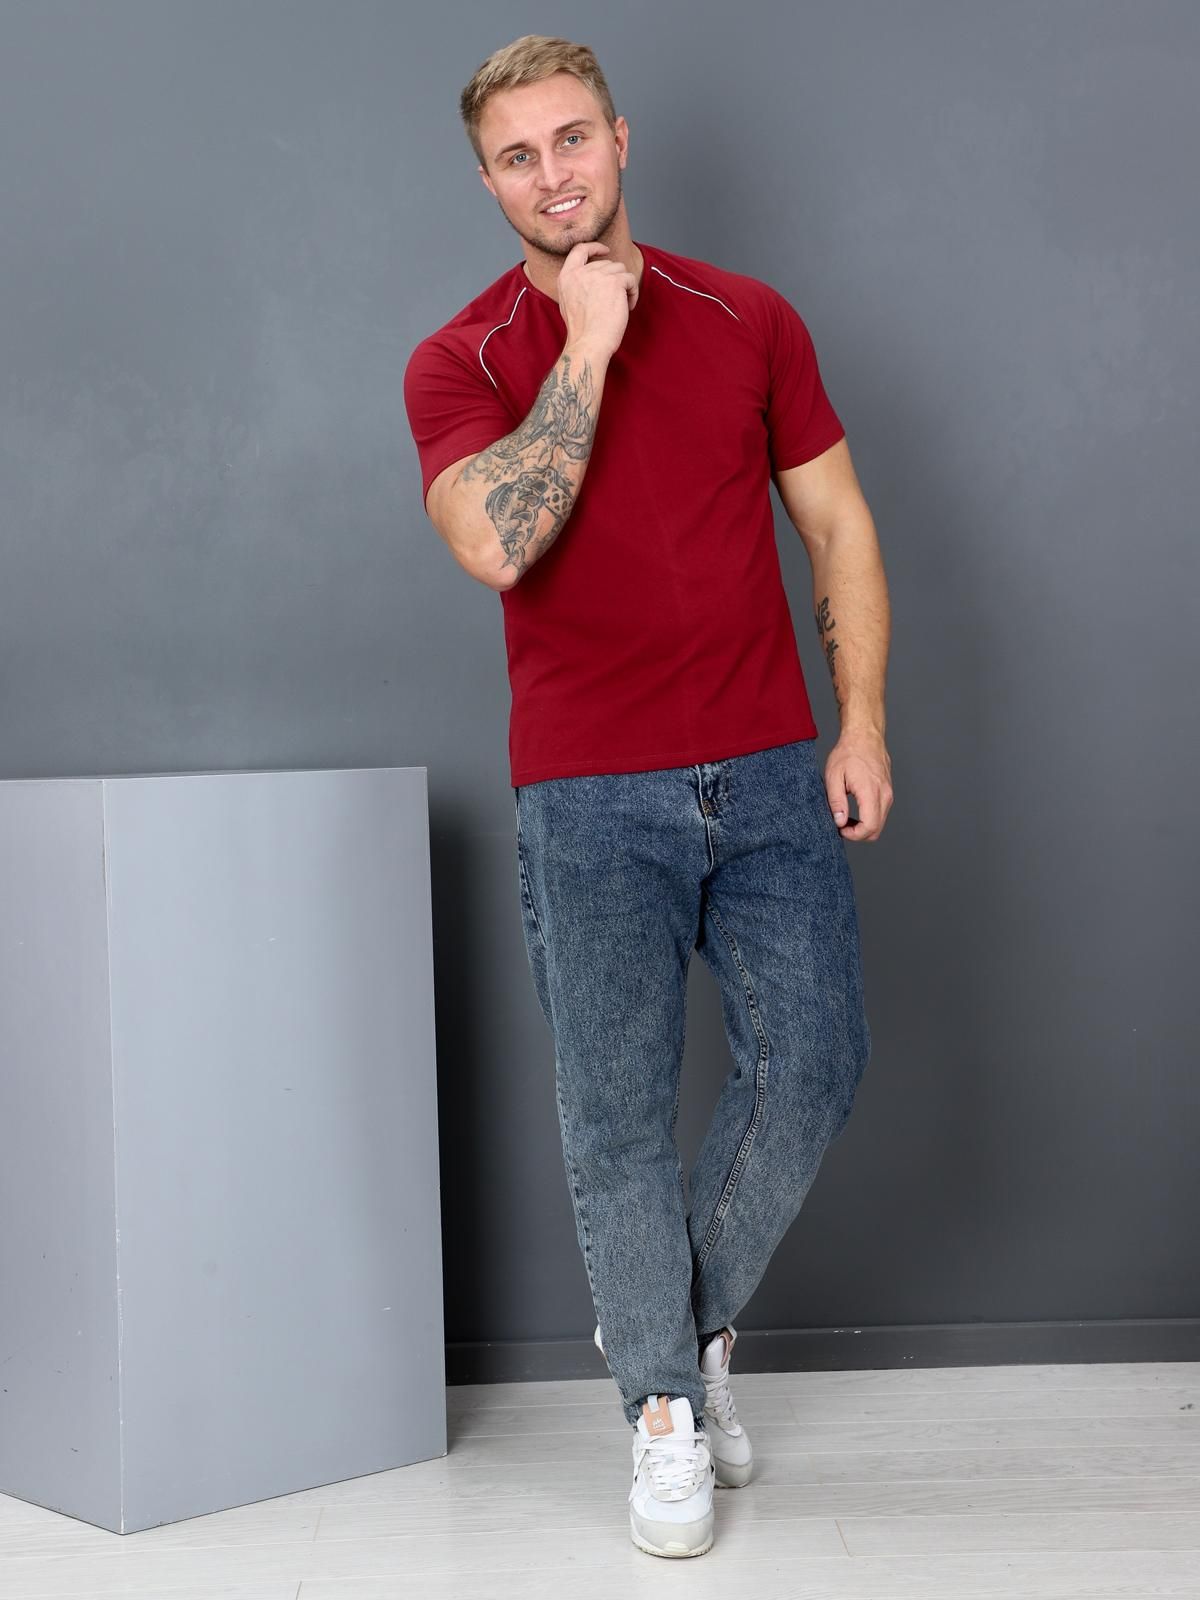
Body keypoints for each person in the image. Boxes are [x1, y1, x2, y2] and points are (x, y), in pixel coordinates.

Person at [403, 33, 893, 1560]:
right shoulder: (461, 361)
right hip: (587, 796)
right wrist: (588, 346)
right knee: (613, 1118)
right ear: (488, 183)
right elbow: (498, 543)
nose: (553, 176)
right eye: (518, 157)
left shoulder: (749, 318)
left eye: (572, 140)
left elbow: (837, 523)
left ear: (622, 140)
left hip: (770, 770)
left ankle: (678, 1331)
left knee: (813, 1066)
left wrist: (862, 724)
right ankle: (664, 1414)